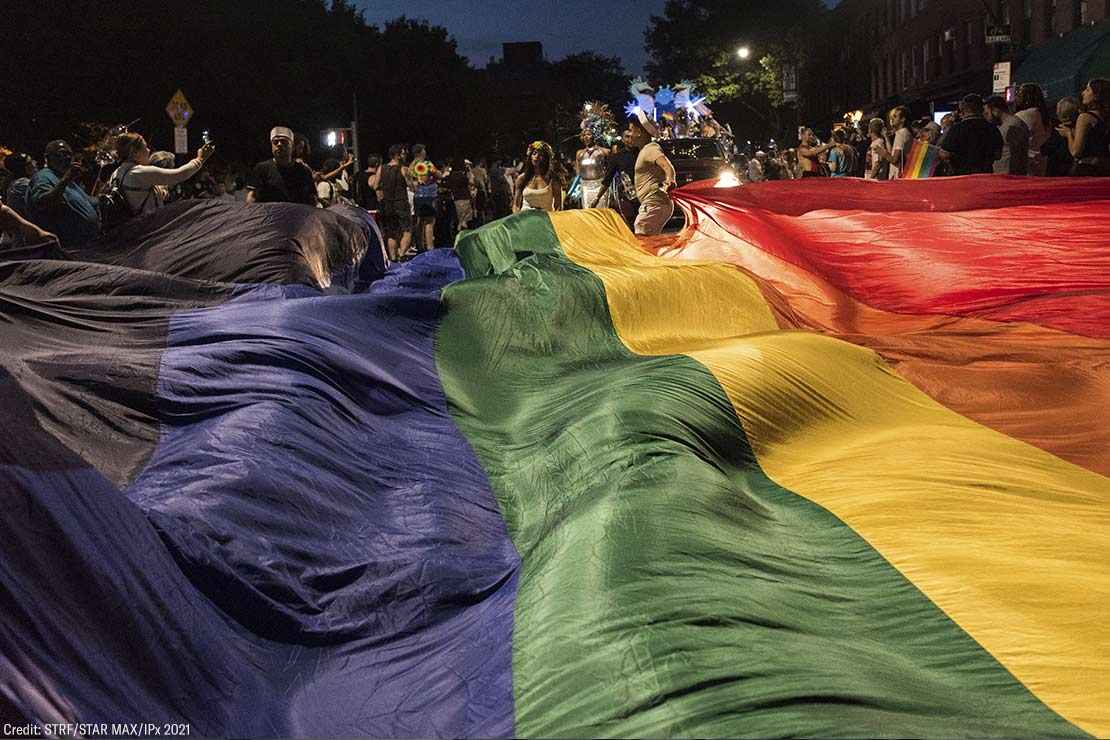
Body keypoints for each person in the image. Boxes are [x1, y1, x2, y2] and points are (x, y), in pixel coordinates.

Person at [109, 133, 214, 216]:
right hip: (149, 230)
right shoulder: (138, 172)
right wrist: (200, 158)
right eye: (145, 148)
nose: (149, 150)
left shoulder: (115, 174)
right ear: (135, 153)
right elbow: (180, 174)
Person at [28, 140, 100, 247]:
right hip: (68, 247)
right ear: (47, 158)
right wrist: (65, 180)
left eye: (69, 154)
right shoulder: (43, 177)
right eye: (60, 154)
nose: (66, 158)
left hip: (87, 244)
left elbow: (87, 202)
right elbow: (44, 203)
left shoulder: (66, 178)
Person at [627, 114, 676, 236]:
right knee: (649, 239)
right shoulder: (645, 150)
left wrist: (670, 180)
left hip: (654, 203)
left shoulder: (650, 149)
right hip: (654, 203)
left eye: (631, 130)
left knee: (642, 230)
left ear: (639, 132)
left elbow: (667, 166)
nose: (629, 134)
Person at [247, 127, 317, 205]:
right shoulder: (261, 169)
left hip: (298, 216)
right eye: (275, 142)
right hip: (270, 216)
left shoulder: (304, 171)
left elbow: (312, 198)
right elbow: (252, 197)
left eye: (284, 142)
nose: (279, 144)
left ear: (293, 146)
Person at [938, 94, 1003, 175]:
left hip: (962, 177)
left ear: (962, 110)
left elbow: (944, 154)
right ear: (981, 109)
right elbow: (998, 155)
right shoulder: (992, 128)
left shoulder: (956, 129)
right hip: (985, 176)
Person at [1058, 79, 1110, 176]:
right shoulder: (1105, 118)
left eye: (1087, 90)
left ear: (1096, 95)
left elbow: (1076, 152)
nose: (1083, 93)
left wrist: (1068, 133)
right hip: (1104, 169)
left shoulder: (1085, 118)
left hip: (1087, 169)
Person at [376, 144, 413, 260]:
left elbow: (376, 185)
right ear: (397, 155)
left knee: (391, 233)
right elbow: (412, 186)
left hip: (388, 205)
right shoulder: (403, 169)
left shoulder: (381, 168)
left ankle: (392, 258)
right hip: (401, 203)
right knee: (407, 230)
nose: (405, 155)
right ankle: (402, 254)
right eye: (403, 153)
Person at [984, 95, 1030, 175]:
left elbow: (1016, 154)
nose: (987, 117)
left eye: (987, 113)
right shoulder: (1009, 124)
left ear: (995, 110)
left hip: (1008, 175)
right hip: (1004, 173)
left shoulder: (1012, 126)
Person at [513, 141, 563, 213]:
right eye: (534, 153)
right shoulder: (522, 178)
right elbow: (516, 205)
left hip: (545, 220)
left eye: (541, 155)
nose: (536, 156)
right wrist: (517, 219)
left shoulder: (553, 179)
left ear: (546, 158)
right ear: (530, 156)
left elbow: (558, 207)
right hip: (525, 219)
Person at [1014, 83, 1052, 176]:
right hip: (1041, 160)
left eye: (1019, 94)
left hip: (1027, 162)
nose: (1016, 97)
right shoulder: (1043, 115)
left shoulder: (1022, 116)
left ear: (1027, 98)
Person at [445, 157, 475, 231]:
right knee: (463, 221)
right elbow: (472, 183)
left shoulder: (451, 176)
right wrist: (469, 171)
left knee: (459, 220)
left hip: (455, 199)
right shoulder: (461, 176)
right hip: (464, 199)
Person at [886, 106, 914, 179]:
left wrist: (882, 153)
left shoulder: (901, 134)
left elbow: (894, 159)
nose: (892, 119)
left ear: (902, 119)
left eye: (895, 116)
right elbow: (893, 153)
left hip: (897, 176)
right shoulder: (904, 132)